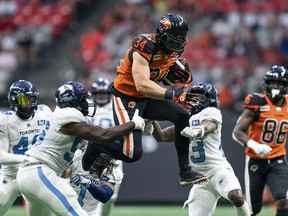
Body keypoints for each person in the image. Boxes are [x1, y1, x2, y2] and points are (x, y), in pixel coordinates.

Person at [82, 13, 207, 186]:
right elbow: (142, 84)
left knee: (182, 115)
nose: (175, 46)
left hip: (147, 98)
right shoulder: (144, 44)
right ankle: (98, 145)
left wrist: (175, 81)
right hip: (126, 97)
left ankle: (185, 171)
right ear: (161, 35)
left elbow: (160, 77)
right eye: (172, 41)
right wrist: (173, 94)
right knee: (132, 154)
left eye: (179, 42)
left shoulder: (172, 52)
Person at [16, 81, 145, 216]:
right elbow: (101, 135)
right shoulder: (68, 114)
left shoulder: (63, 116)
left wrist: (138, 130)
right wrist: (133, 124)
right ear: (71, 101)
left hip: (29, 173)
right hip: (40, 171)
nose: (86, 102)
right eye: (83, 99)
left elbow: (102, 133)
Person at [151, 82, 251, 216]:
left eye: (201, 97)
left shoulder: (212, 112)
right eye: (194, 97)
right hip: (200, 179)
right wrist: (150, 119)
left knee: (236, 196)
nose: (196, 100)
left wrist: (198, 130)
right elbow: (162, 136)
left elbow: (208, 126)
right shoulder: (185, 118)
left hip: (218, 170)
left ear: (211, 100)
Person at [232, 65, 288, 216]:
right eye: (272, 83)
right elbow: (237, 131)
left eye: (279, 83)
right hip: (256, 160)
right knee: (253, 209)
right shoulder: (257, 102)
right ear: (266, 84)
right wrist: (255, 145)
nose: (275, 86)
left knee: (282, 199)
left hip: (278, 159)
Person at [0, 80, 52, 216]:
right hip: (11, 174)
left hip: (36, 173)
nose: (28, 104)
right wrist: (29, 158)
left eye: (31, 99)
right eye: (24, 100)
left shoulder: (44, 112)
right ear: (14, 101)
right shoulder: (5, 120)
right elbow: (1, 156)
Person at [89, 77, 124, 216]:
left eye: (104, 93)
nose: (102, 96)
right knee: (92, 192)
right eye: (99, 94)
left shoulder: (116, 107)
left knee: (111, 196)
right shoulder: (88, 106)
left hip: (113, 154)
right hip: (91, 153)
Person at [62, 143, 123, 216]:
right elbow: (64, 174)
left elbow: (105, 196)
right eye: (94, 156)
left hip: (90, 213)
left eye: (99, 159)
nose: (95, 161)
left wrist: (88, 184)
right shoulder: (78, 156)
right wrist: (63, 165)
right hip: (68, 209)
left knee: (111, 199)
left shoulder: (111, 169)